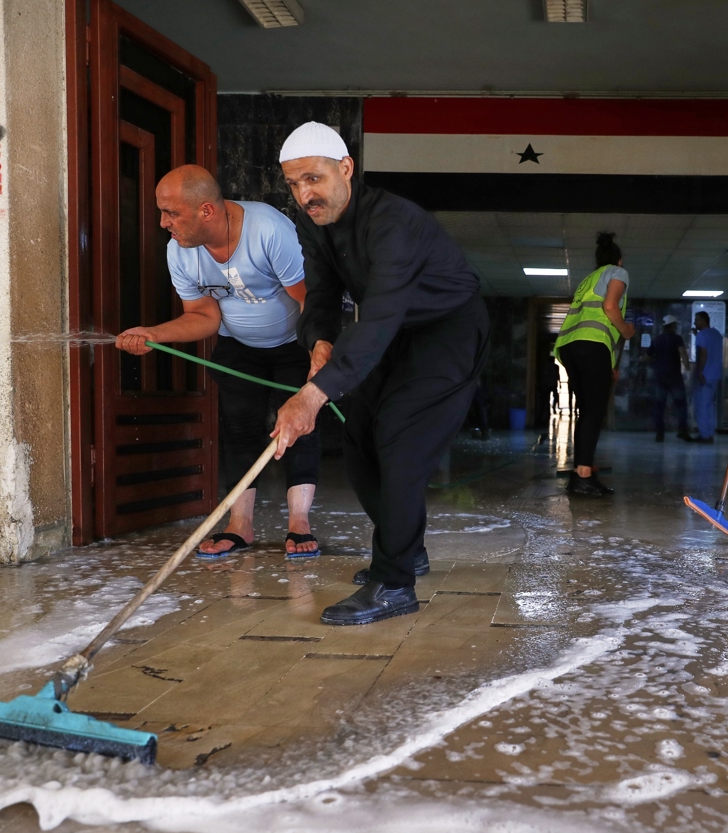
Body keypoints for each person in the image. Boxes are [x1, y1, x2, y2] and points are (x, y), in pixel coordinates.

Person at [269, 122, 489, 625]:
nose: (305, 194)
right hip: (393, 331)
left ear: (345, 169)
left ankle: (394, 583)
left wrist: (312, 395)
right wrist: (319, 339)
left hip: (448, 329)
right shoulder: (313, 219)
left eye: (314, 179)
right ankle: (406, 549)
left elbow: (382, 312)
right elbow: (321, 292)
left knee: (400, 439)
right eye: (293, 183)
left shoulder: (394, 223)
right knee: (361, 438)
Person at [115, 165, 331, 561]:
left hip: (292, 343)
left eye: (171, 213)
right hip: (239, 346)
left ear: (206, 211)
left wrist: (321, 349)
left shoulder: (267, 229)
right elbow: (204, 316)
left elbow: (310, 300)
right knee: (239, 427)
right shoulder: (179, 251)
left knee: (299, 426)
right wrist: (154, 334)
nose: (163, 223)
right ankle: (239, 526)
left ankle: (299, 522)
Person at [552, 232, 635, 496]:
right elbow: (610, 307)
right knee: (594, 411)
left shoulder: (589, 279)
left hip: (569, 347)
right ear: (619, 260)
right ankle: (583, 477)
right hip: (591, 346)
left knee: (586, 410)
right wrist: (626, 330)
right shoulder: (618, 273)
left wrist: (608, 362)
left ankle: (581, 472)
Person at [648, 314, 690, 442]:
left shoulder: (657, 339)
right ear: (673, 326)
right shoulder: (677, 339)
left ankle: (660, 434)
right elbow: (682, 352)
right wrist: (687, 367)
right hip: (674, 378)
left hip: (659, 377)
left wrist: (654, 361)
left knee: (659, 407)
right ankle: (682, 431)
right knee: (681, 405)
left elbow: (648, 356)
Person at [687, 310, 722, 443]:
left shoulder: (702, 335)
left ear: (703, 320)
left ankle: (704, 435)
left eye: (697, 320)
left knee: (701, 405)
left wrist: (700, 372)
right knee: (711, 405)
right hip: (716, 374)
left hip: (705, 375)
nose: (695, 322)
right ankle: (710, 432)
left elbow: (703, 354)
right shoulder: (716, 334)